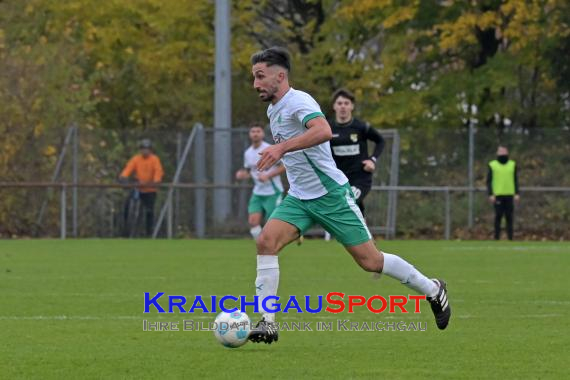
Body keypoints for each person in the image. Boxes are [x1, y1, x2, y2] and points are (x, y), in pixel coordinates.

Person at [248, 47, 451, 344]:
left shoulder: (299, 101)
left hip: (331, 195)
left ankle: (433, 290)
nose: (256, 84)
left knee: (371, 261)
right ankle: (267, 322)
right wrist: (282, 154)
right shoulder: (273, 109)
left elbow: (323, 130)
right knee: (266, 241)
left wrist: (280, 148)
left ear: (280, 76)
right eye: (254, 77)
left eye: (260, 76)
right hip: (300, 198)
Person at [329, 88, 385, 214]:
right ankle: (362, 231)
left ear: (352, 106)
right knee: (355, 210)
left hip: (360, 178)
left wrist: (372, 160)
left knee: (348, 202)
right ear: (334, 106)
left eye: (346, 103)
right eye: (339, 103)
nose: (343, 106)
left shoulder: (361, 127)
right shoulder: (328, 129)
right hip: (339, 179)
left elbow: (380, 141)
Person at [235, 124, 286, 241]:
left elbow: (284, 167)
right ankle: (263, 245)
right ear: (249, 134)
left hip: (273, 191)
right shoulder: (247, 153)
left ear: (262, 134)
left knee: (272, 224)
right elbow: (251, 172)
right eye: (253, 131)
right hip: (258, 192)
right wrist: (242, 175)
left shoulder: (269, 149)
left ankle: (294, 233)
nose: (255, 134)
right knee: (253, 222)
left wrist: (268, 175)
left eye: (258, 131)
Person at [120, 139, 164, 237]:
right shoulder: (136, 159)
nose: (145, 151)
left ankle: (149, 233)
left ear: (150, 150)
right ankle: (126, 230)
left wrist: (156, 181)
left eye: (147, 149)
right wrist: (123, 177)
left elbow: (158, 171)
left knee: (149, 211)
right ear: (140, 150)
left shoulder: (154, 159)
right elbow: (128, 168)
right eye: (143, 149)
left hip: (150, 189)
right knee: (127, 204)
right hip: (138, 187)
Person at [487, 146, 520, 240]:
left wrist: (517, 193)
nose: (502, 152)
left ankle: (510, 238)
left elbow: (515, 179)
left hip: (509, 194)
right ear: (497, 153)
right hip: (498, 195)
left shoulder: (512, 164)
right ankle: (496, 237)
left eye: (504, 150)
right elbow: (489, 181)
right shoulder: (492, 165)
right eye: (500, 151)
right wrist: (490, 194)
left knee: (509, 217)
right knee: (498, 216)